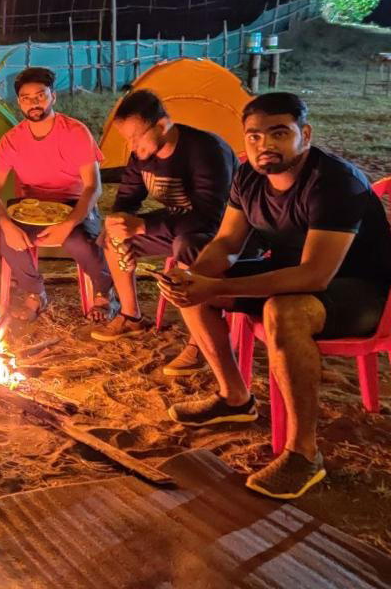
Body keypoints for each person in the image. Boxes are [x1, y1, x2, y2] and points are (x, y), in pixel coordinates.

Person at [159, 92, 391, 500]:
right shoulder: (249, 176)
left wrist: (220, 286)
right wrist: (196, 278)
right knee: (194, 291)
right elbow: (227, 242)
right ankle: (234, 398)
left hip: (363, 291)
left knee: (285, 311)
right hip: (291, 275)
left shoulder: (335, 183)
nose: (264, 145)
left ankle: (304, 454)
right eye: (254, 136)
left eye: (279, 133)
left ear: (305, 135)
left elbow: (315, 275)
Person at [92, 89, 238, 378]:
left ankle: (201, 342)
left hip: (224, 233)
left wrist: (142, 226)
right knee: (111, 236)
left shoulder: (206, 150)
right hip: (178, 224)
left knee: (187, 245)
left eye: (136, 137)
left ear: (161, 126)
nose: (132, 146)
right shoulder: (142, 155)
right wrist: (121, 225)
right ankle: (132, 316)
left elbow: (209, 216)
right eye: (127, 139)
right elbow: (127, 199)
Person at [0, 67, 116, 322]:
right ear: (19, 102)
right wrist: (6, 224)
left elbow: (93, 187)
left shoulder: (76, 132)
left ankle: (105, 292)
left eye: (40, 96)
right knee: (4, 237)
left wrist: (68, 224)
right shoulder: (11, 140)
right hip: (30, 208)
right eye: (26, 98)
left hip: (75, 203)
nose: (34, 103)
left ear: (53, 97)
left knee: (78, 241)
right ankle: (35, 293)